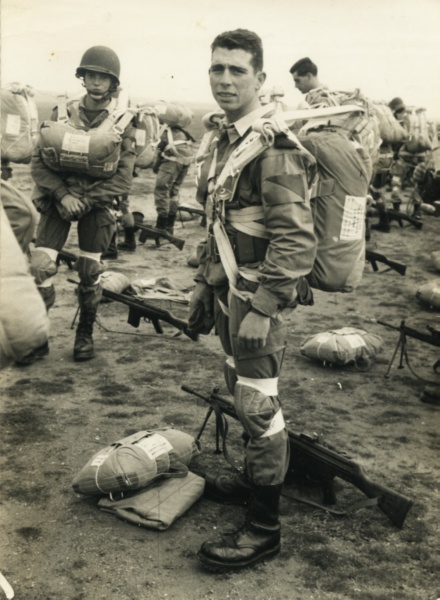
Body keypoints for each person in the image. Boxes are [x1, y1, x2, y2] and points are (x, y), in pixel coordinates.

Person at [188, 29, 317, 572]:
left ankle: (265, 528)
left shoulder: (273, 148)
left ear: (260, 79)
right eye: (217, 68)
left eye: (236, 70)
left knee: (260, 406)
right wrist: (203, 283)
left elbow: (297, 240)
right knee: (239, 389)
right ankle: (252, 481)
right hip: (228, 292)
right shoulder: (226, 140)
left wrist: (264, 308)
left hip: (257, 297)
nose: (224, 80)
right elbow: (217, 220)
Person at [29, 45, 137, 362]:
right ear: (83, 78)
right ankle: (37, 337)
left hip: (96, 204)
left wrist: (86, 201)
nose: (97, 81)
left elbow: (123, 178)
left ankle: (84, 334)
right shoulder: (62, 113)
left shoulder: (124, 121)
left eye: (103, 77)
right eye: (91, 75)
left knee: (90, 270)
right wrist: (62, 195)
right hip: (58, 199)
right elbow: (38, 163)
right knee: (40, 267)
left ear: (113, 83)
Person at [153, 124, 195, 236]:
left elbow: (158, 151)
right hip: (185, 161)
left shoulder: (164, 132)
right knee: (174, 191)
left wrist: (156, 166)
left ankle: (161, 226)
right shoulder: (181, 131)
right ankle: (169, 226)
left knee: (161, 190)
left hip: (172, 162)